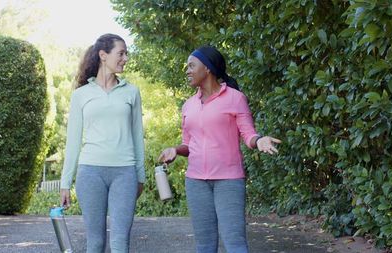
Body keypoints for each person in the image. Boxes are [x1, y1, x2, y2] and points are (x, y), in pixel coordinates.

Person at [158, 45, 281, 253]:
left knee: (235, 243)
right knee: (204, 245)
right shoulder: (188, 105)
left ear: (207, 68)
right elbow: (188, 143)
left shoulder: (235, 98)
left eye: (191, 66)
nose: (187, 71)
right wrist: (175, 150)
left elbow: (248, 134)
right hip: (196, 181)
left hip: (229, 180)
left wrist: (258, 141)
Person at [60, 33, 145, 253]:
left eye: (126, 53)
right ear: (103, 55)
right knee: (95, 242)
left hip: (124, 173)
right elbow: (73, 140)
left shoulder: (131, 92)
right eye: (121, 53)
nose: (125, 58)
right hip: (90, 173)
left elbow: (137, 137)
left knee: (120, 242)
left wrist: (140, 176)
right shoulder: (81, 95)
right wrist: (65, 183)